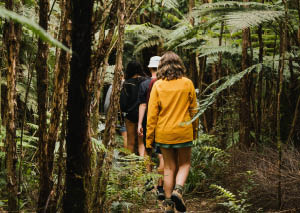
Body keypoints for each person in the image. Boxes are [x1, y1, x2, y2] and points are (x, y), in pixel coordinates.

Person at [146, 51, 198, 213]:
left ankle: (168, 203)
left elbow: (152, 114)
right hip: (184, 130)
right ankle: (178, 191)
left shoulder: (158, 85)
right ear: (179, 65)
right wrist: (194, 130)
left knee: (168, 167)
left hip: (164, 132)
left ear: (162, 66)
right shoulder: (187, 83)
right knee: (184, 164)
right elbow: (194, 110)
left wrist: (149, 139)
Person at [137, 56, 165, 200]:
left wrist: (139, 124)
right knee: (161, 155)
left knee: (147, 151)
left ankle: (148, 181)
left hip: (149, 121)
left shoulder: (143, 84)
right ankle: (160, 186)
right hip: (162, 123)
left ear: (149, 68)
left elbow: (143, 105)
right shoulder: (164, 83)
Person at [120, 61, 147, 156]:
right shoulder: (146, 81)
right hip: (143, 115)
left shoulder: (126, 83)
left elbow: (123, 103)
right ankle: (144, 167)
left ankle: (130, 167)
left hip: (130, 116)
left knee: (130, 142)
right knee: (142, 143)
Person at [104, 80, 127, 147]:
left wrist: (107, 115)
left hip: (112, 115)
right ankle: (125, 154)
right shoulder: (128, 85)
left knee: (111, 136)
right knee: (124, 136)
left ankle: (110, 154)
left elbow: (106, 103)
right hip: (124, 115)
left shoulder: (112, 86)